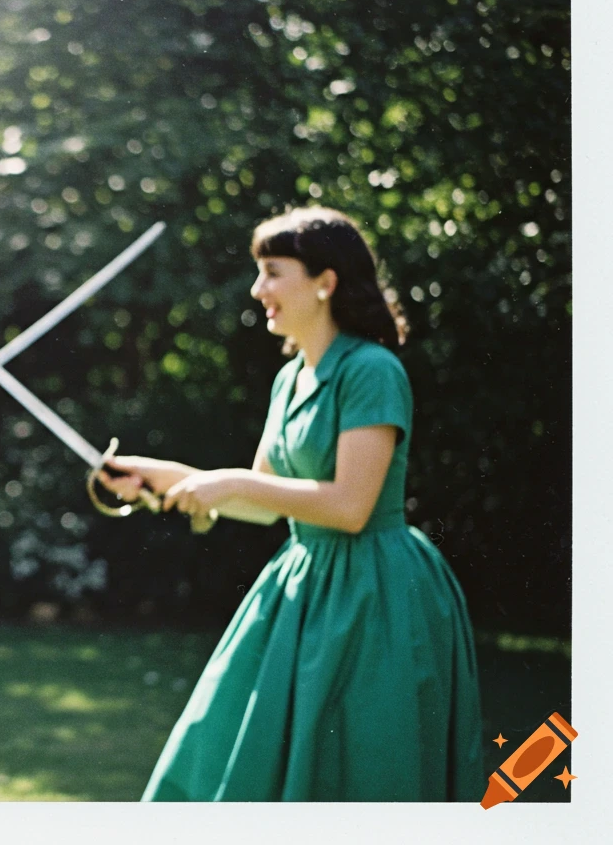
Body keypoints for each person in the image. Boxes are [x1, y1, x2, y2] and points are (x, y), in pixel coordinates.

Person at [98, 206, 483, 801]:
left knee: (362, 766)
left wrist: (230, 484)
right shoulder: (291, 379)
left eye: (274, 272)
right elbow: (265, 502)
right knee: (224, 748)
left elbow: (351, 506)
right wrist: (155, 478)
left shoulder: (372, 371)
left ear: (325, 282)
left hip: (377, 593)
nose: (258, 290)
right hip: (303, 585)